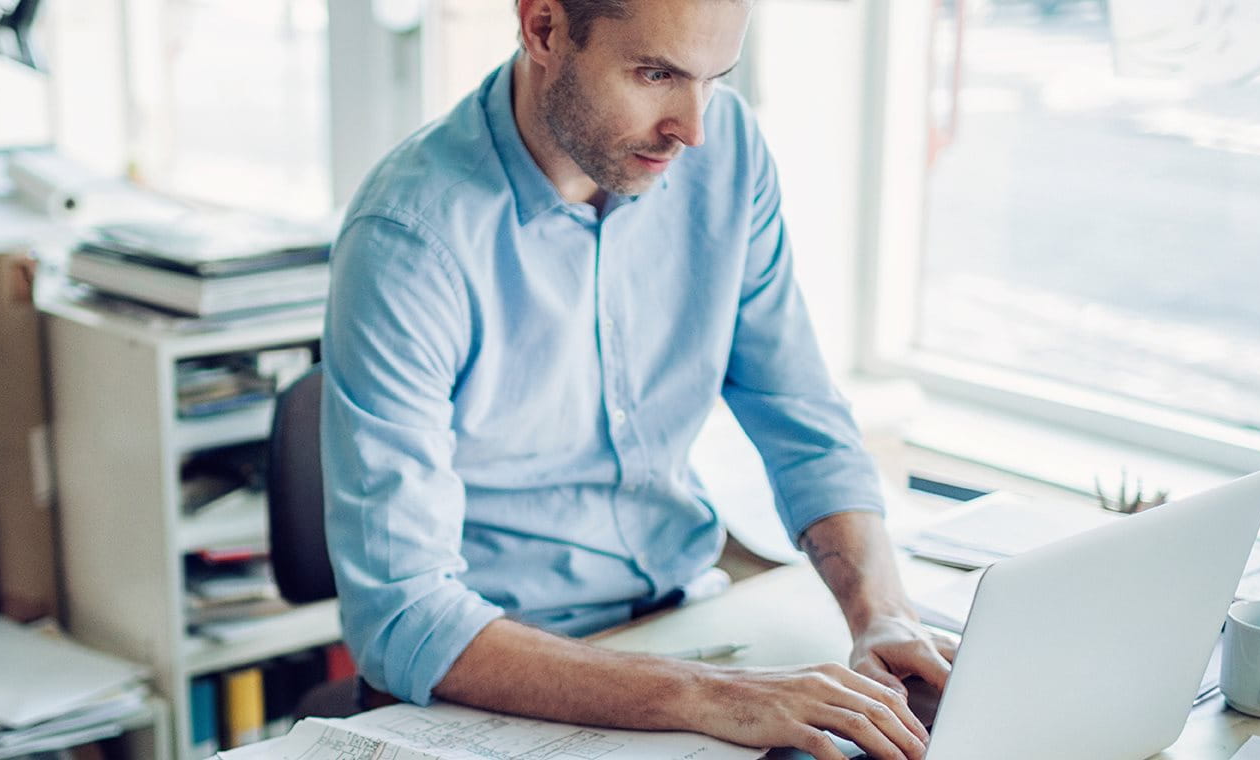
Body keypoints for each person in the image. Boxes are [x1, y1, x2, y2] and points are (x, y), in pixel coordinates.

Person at [320, 2, 953, 759]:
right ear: (544, 29)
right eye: (656, 74)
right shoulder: (408, 237)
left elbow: (800, 416)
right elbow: (402, 618)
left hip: (681, 627)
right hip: (496, 681)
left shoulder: (727, 156)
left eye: (715, 79)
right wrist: (709, 698)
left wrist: (882, 614)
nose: (693, 128)